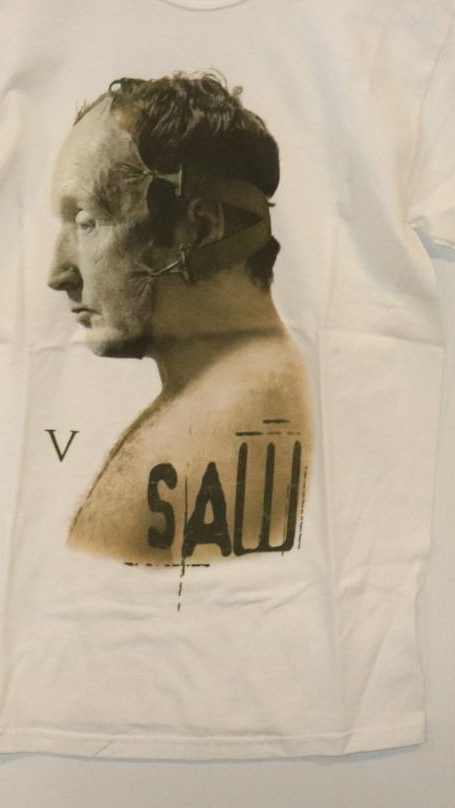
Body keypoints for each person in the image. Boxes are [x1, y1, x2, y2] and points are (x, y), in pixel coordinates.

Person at [47, 71, 313, 565]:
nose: (59, 275)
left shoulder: (194, 441)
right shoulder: (288, 387)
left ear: (200, 228)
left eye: (87, 222)